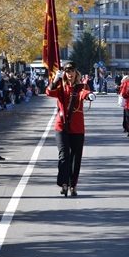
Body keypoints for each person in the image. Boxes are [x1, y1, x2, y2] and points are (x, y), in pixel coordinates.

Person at [45, 62, 94, 196]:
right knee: (63, 155)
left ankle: (73, 184)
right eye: (67, 71)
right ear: (64, 73)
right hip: (62, 126)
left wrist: (89, 95)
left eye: (71, 71)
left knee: (75, 157)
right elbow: (49, 92)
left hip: (77, 127)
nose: (69, 74)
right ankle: (64, 183)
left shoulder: (81, 86)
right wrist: (55, 80)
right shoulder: (61, 86)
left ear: (75, 72)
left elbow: (85, 93)